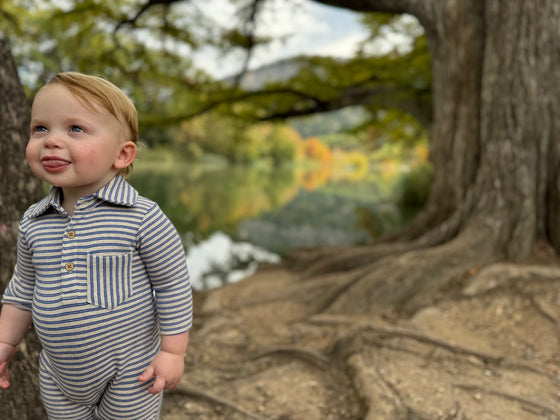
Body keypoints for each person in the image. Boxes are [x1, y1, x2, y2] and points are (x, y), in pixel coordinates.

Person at [0, 72, 193, 419]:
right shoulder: (34, 221)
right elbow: (23, 288)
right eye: (40, 128)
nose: (51, 141)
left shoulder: (141, 217)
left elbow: (172, 284)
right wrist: (5, 343)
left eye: (75, 129)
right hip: (59, 373)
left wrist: (173, 352)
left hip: (131, 372)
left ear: (122, 155)